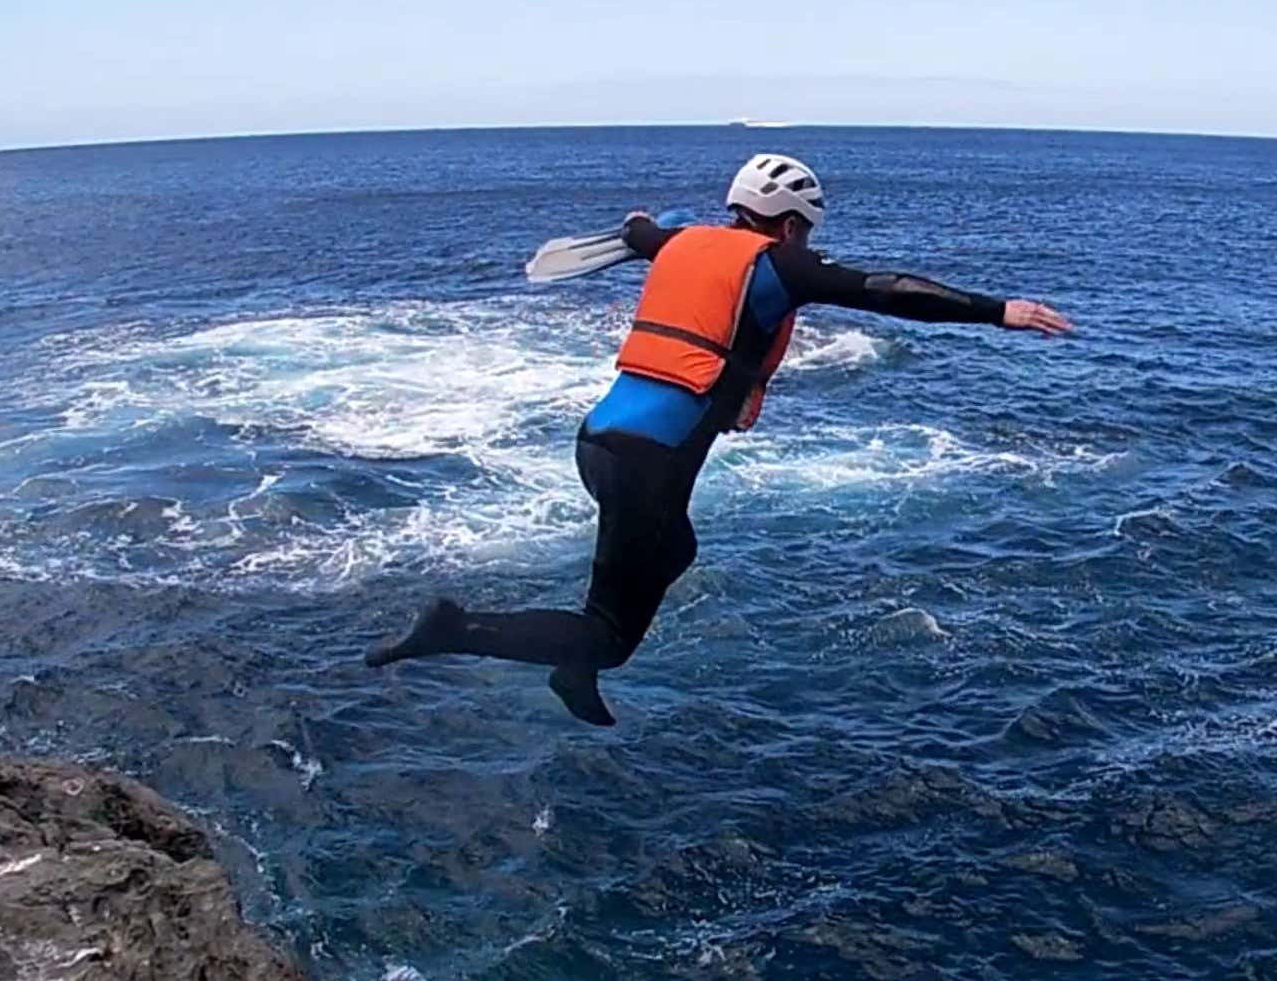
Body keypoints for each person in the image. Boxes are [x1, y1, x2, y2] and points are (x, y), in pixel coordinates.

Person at [367, 153, 1076, 725]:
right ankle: (459, 630)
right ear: (792, 226)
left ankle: (571, 663)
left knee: (673, 548)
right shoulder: (779, 263)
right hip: (646, 466)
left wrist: (643, 222)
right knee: (614, 633)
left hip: (601, 444)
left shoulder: (679, 243)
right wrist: (998, 311)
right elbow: (886, 289)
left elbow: (640, 229)